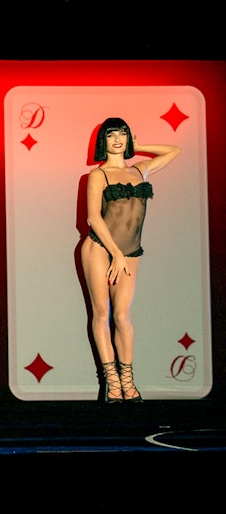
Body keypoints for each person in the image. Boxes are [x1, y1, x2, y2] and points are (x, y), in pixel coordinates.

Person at [81, 117, 179, 403]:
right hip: (101, 248)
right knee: (102, 314)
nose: (118, 139)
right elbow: (93, 217)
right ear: (104, 141)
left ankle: (128, 380)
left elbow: (174, 151)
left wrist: (140, 145)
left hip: (130, 252)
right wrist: (115, 253)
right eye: (112, 135)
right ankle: (112, 383)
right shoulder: (98, 175)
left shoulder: (140, 170)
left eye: (123, 134)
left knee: (123, 317)